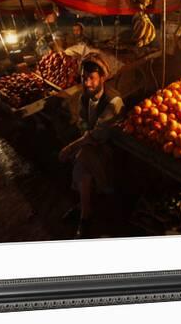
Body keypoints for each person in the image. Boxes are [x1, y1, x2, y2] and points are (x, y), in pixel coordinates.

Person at [58, 53, 124, 238]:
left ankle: (84, 210)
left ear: (103, 78)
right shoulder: (84, 97)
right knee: (84, 163)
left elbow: (98, 133)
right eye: (84, 78)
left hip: (111, 148)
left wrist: (71, 147)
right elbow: (82, 123)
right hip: (90, 146)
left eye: (92, 79)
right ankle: (85, 213)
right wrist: (84, 138)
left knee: (81, 156)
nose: (87, 83)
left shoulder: (113, 101)